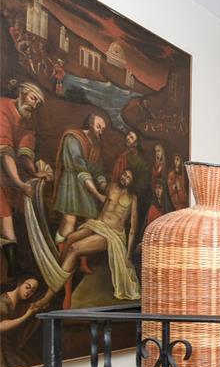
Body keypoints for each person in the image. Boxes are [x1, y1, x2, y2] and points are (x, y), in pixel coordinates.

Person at [43, 168, 141, 309]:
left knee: (74, 248)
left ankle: (49, 294)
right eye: (124, 174)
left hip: (112, 234)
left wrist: (129, 254)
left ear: (133, 182)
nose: (124, 177)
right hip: (97, 224)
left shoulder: (133, 198)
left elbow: (132, 229)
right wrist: (86, 177)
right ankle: (58, 273)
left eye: (128, 177)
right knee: (70, 238)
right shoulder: (112, 186)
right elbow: (97, 194)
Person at [0, 81, 46, 243]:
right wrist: (20, 183)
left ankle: (11, 257)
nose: (34, 105)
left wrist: (34, 172)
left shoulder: (28, 121)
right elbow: (5, 151)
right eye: (33, 99)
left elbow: (25, 153)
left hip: (6, 168)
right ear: (21, 93)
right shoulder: (3, 107)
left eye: (38, 103)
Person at [53, 113, 108, 242]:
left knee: (89, 223)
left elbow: (98, 171)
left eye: (103, 129)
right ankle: (61, 256)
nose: (100, 132)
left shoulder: (96, 146)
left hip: (87, 185)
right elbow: (80, 168)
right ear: (90, 124)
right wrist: (98, 195)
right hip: (71, 183)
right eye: (98, 127)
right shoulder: (73, 138)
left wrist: (105, 187)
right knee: (69, 220)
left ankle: (80, 257)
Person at [0, 276, 45, 367]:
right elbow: (1, 326)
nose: (29, 292)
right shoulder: (3, 302)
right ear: (19, 284)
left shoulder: (21, 303)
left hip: (9, 344)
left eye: (32, 290)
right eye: (27, 287)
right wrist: (27, 315)